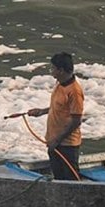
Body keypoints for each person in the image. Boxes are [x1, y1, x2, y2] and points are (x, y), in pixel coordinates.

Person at [27, 52, 84, 180]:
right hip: (54, 142)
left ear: (61, 70)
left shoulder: (74, 91)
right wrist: (41, 111)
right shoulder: (59, 84)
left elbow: (76, 120)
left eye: (52, 68)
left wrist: (57, 140)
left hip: (67, 145)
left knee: (71, 179)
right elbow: (59, 107)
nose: (51, 71)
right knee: (59, 178)